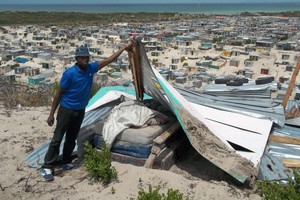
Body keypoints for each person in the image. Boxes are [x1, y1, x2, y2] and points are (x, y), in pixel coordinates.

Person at [41, 42, 133, 181]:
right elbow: (59, 93)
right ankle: (48, 165)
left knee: (71, 137)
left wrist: (124, 48)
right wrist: (51, 114)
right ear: (76, 59)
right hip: (66, 109)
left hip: (80, 109)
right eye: (81, 57)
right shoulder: (70, 73)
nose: (84, 59)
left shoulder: (91, 68)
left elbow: (109, 60)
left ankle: (66, 161)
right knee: (57, 138)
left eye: (86, 57)